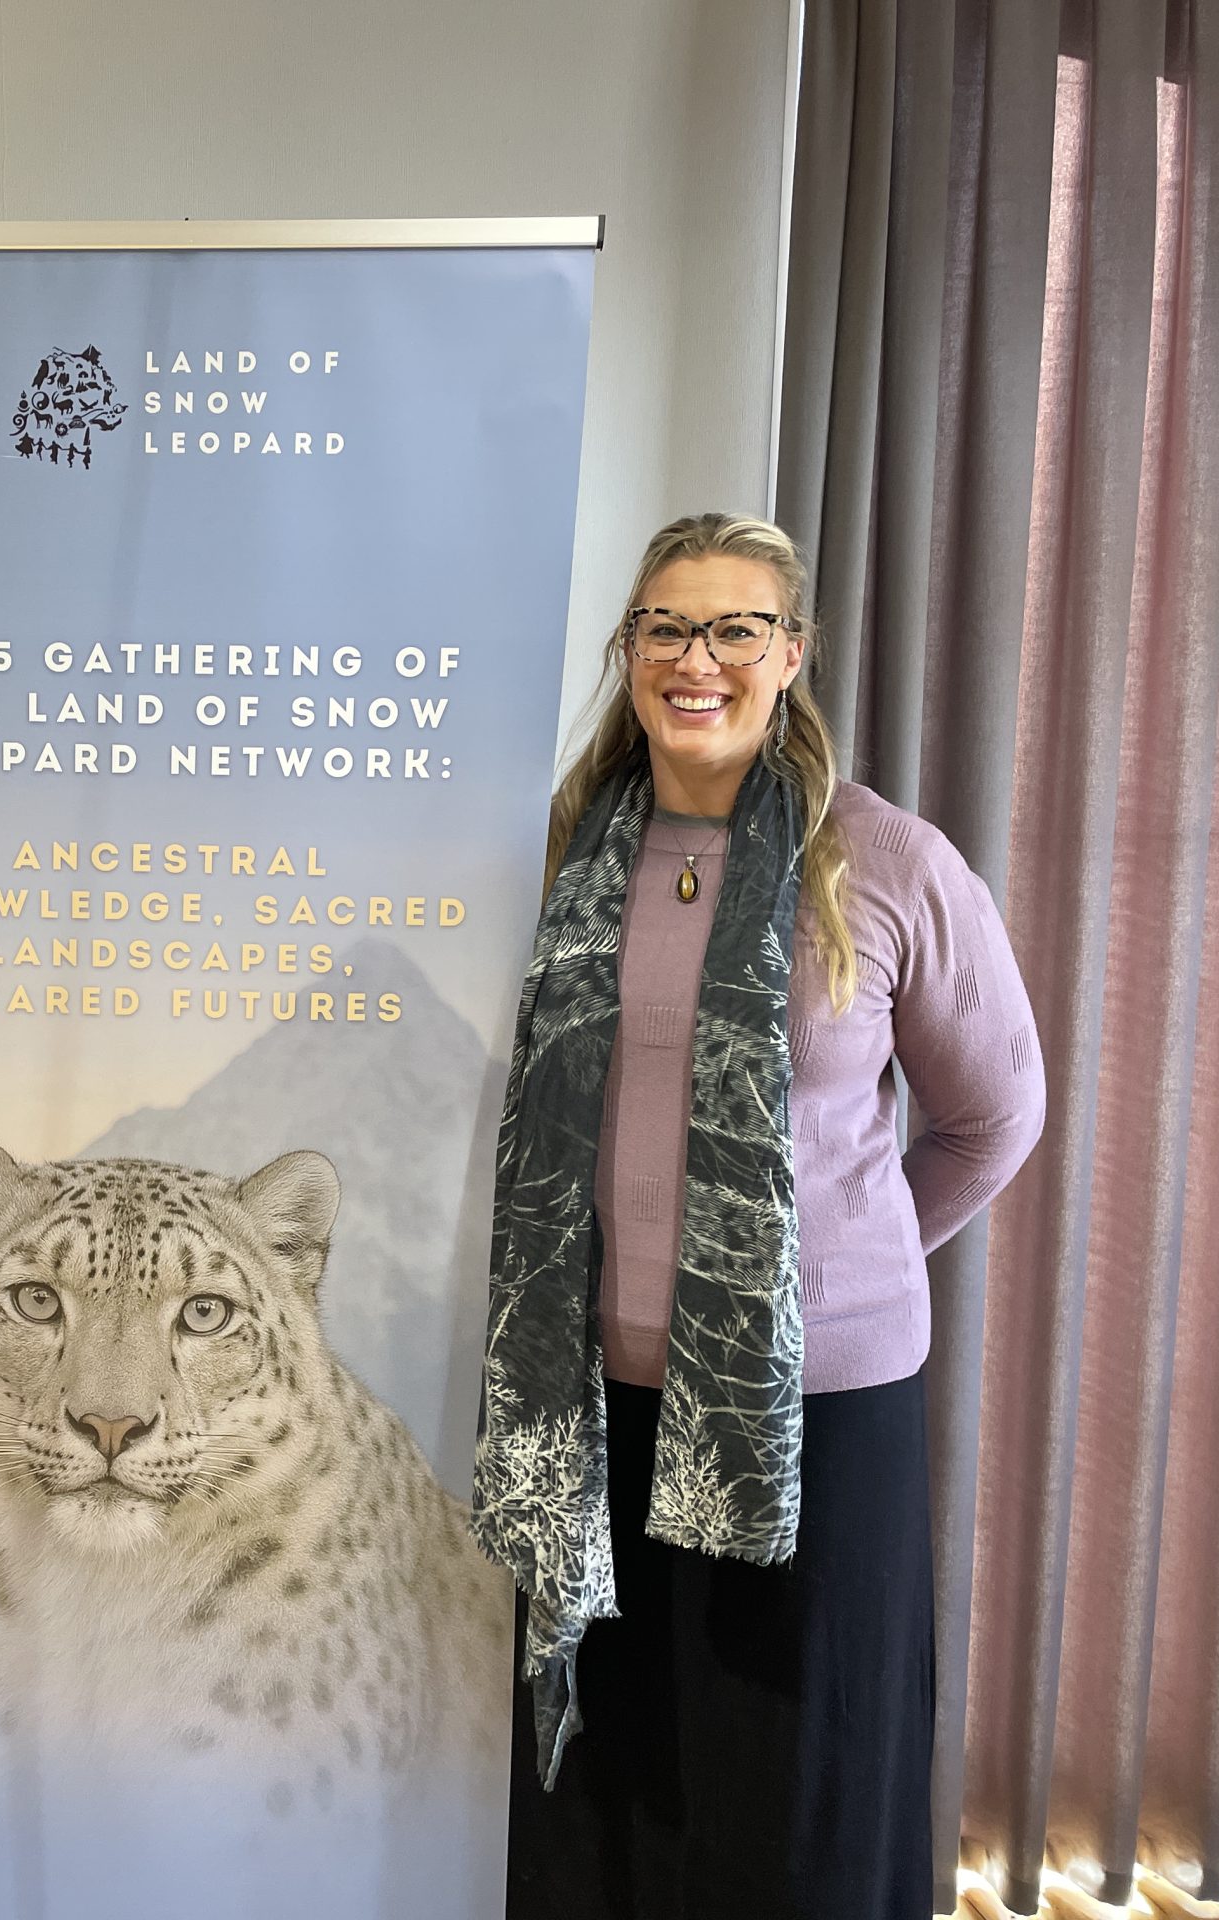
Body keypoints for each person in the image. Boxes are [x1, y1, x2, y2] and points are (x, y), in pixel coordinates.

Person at [476, 514, 1046, 1920]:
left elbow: (996, 1118)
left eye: (736, 628)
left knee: (799, 1782)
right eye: (667, 627)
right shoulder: (571, 849)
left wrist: (824, 1271)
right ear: (630, 653)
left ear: (790, 655)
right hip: (593, 1398)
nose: (697, 660)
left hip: (819, 1402)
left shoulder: (886, 860)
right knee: (629, 1773)